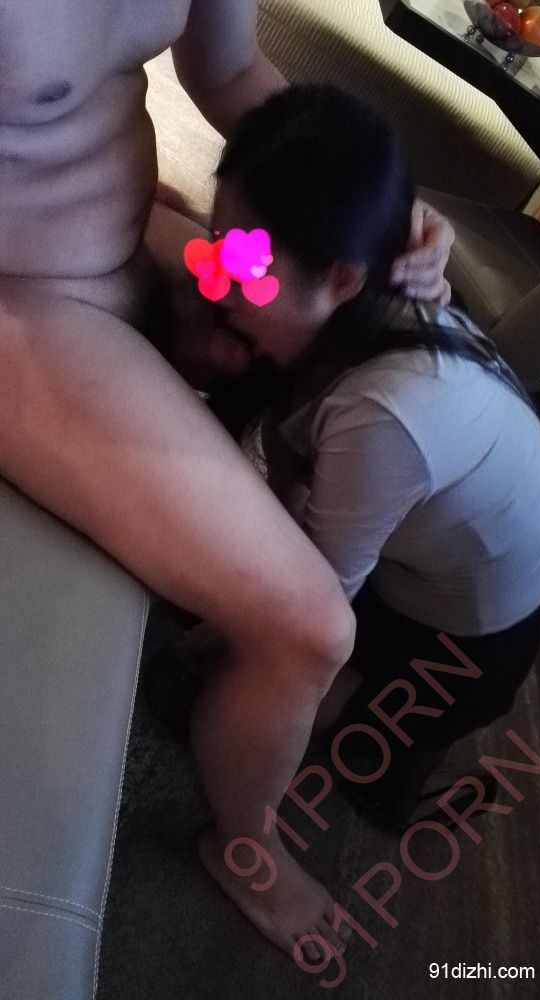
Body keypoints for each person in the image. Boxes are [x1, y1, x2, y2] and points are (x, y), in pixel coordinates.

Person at [0, 0, 456, 968]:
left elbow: (230, 69)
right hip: (30, 308)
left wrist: (381, 217)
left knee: (375, 322)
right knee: (311, 627)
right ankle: (247, 847)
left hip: (138, 237)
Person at [164, 83, 540, 857]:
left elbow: (312, 603)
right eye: (220, 244)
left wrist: (224, 635)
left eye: (247, 267)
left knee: (296, 724)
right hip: (423, 562)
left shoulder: (386, 417)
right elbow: (291, 466)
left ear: (342, 280)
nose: (218, 281)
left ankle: (401, 777)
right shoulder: (370, 311)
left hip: (464, 647)